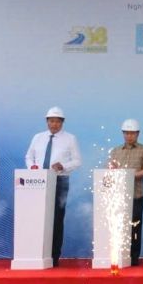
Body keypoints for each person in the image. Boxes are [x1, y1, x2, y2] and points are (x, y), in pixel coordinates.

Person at [24, 106, 81, 266]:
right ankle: (36, 253)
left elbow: (77, 161)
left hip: (59, 181)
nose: (54, 124)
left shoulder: (70, 138)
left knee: (56, 218)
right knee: (37, 216)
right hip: (37, 181)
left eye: (57, 121)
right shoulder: (38, 137)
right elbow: (29, 156)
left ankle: (54, 256)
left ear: (62, 122)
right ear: (47, 121)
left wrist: (63, 166)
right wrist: (32, 168)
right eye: (51, 121)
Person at [108, 119, 143, 265]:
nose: (129, 136)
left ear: (138, 134)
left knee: (135, 226)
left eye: (132, 133)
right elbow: (110, 170)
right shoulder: (115, 151)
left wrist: (129, 176)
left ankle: (134, 258)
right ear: (123, 134)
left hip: (136, 195)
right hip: (118, 196)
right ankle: (119, 255)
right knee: (118, 225)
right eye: (126, 133)